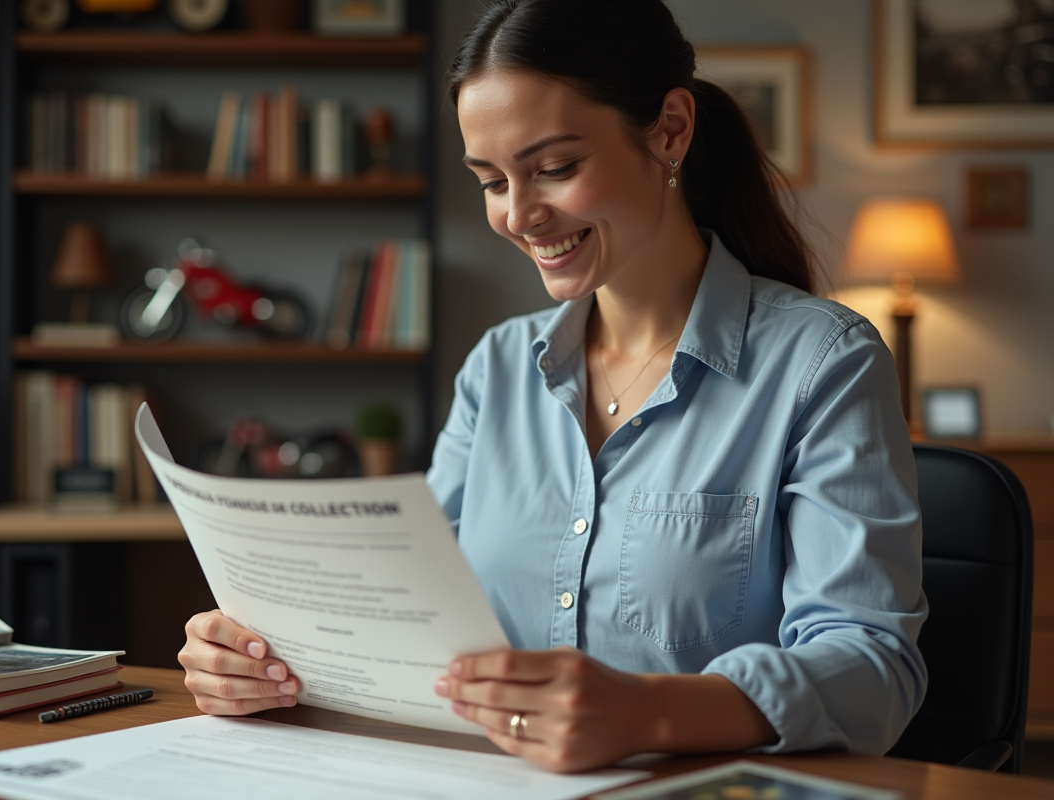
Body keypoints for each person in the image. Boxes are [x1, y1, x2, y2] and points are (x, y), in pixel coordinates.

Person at [177, 0, 928, 774]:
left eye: (555, 168)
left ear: (670, 130)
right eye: (490, 181)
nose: (518, 215)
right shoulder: (498, 368)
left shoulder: (823, 363)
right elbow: (409, 615)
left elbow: (873, 669)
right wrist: (265, 661)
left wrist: (649, 712)